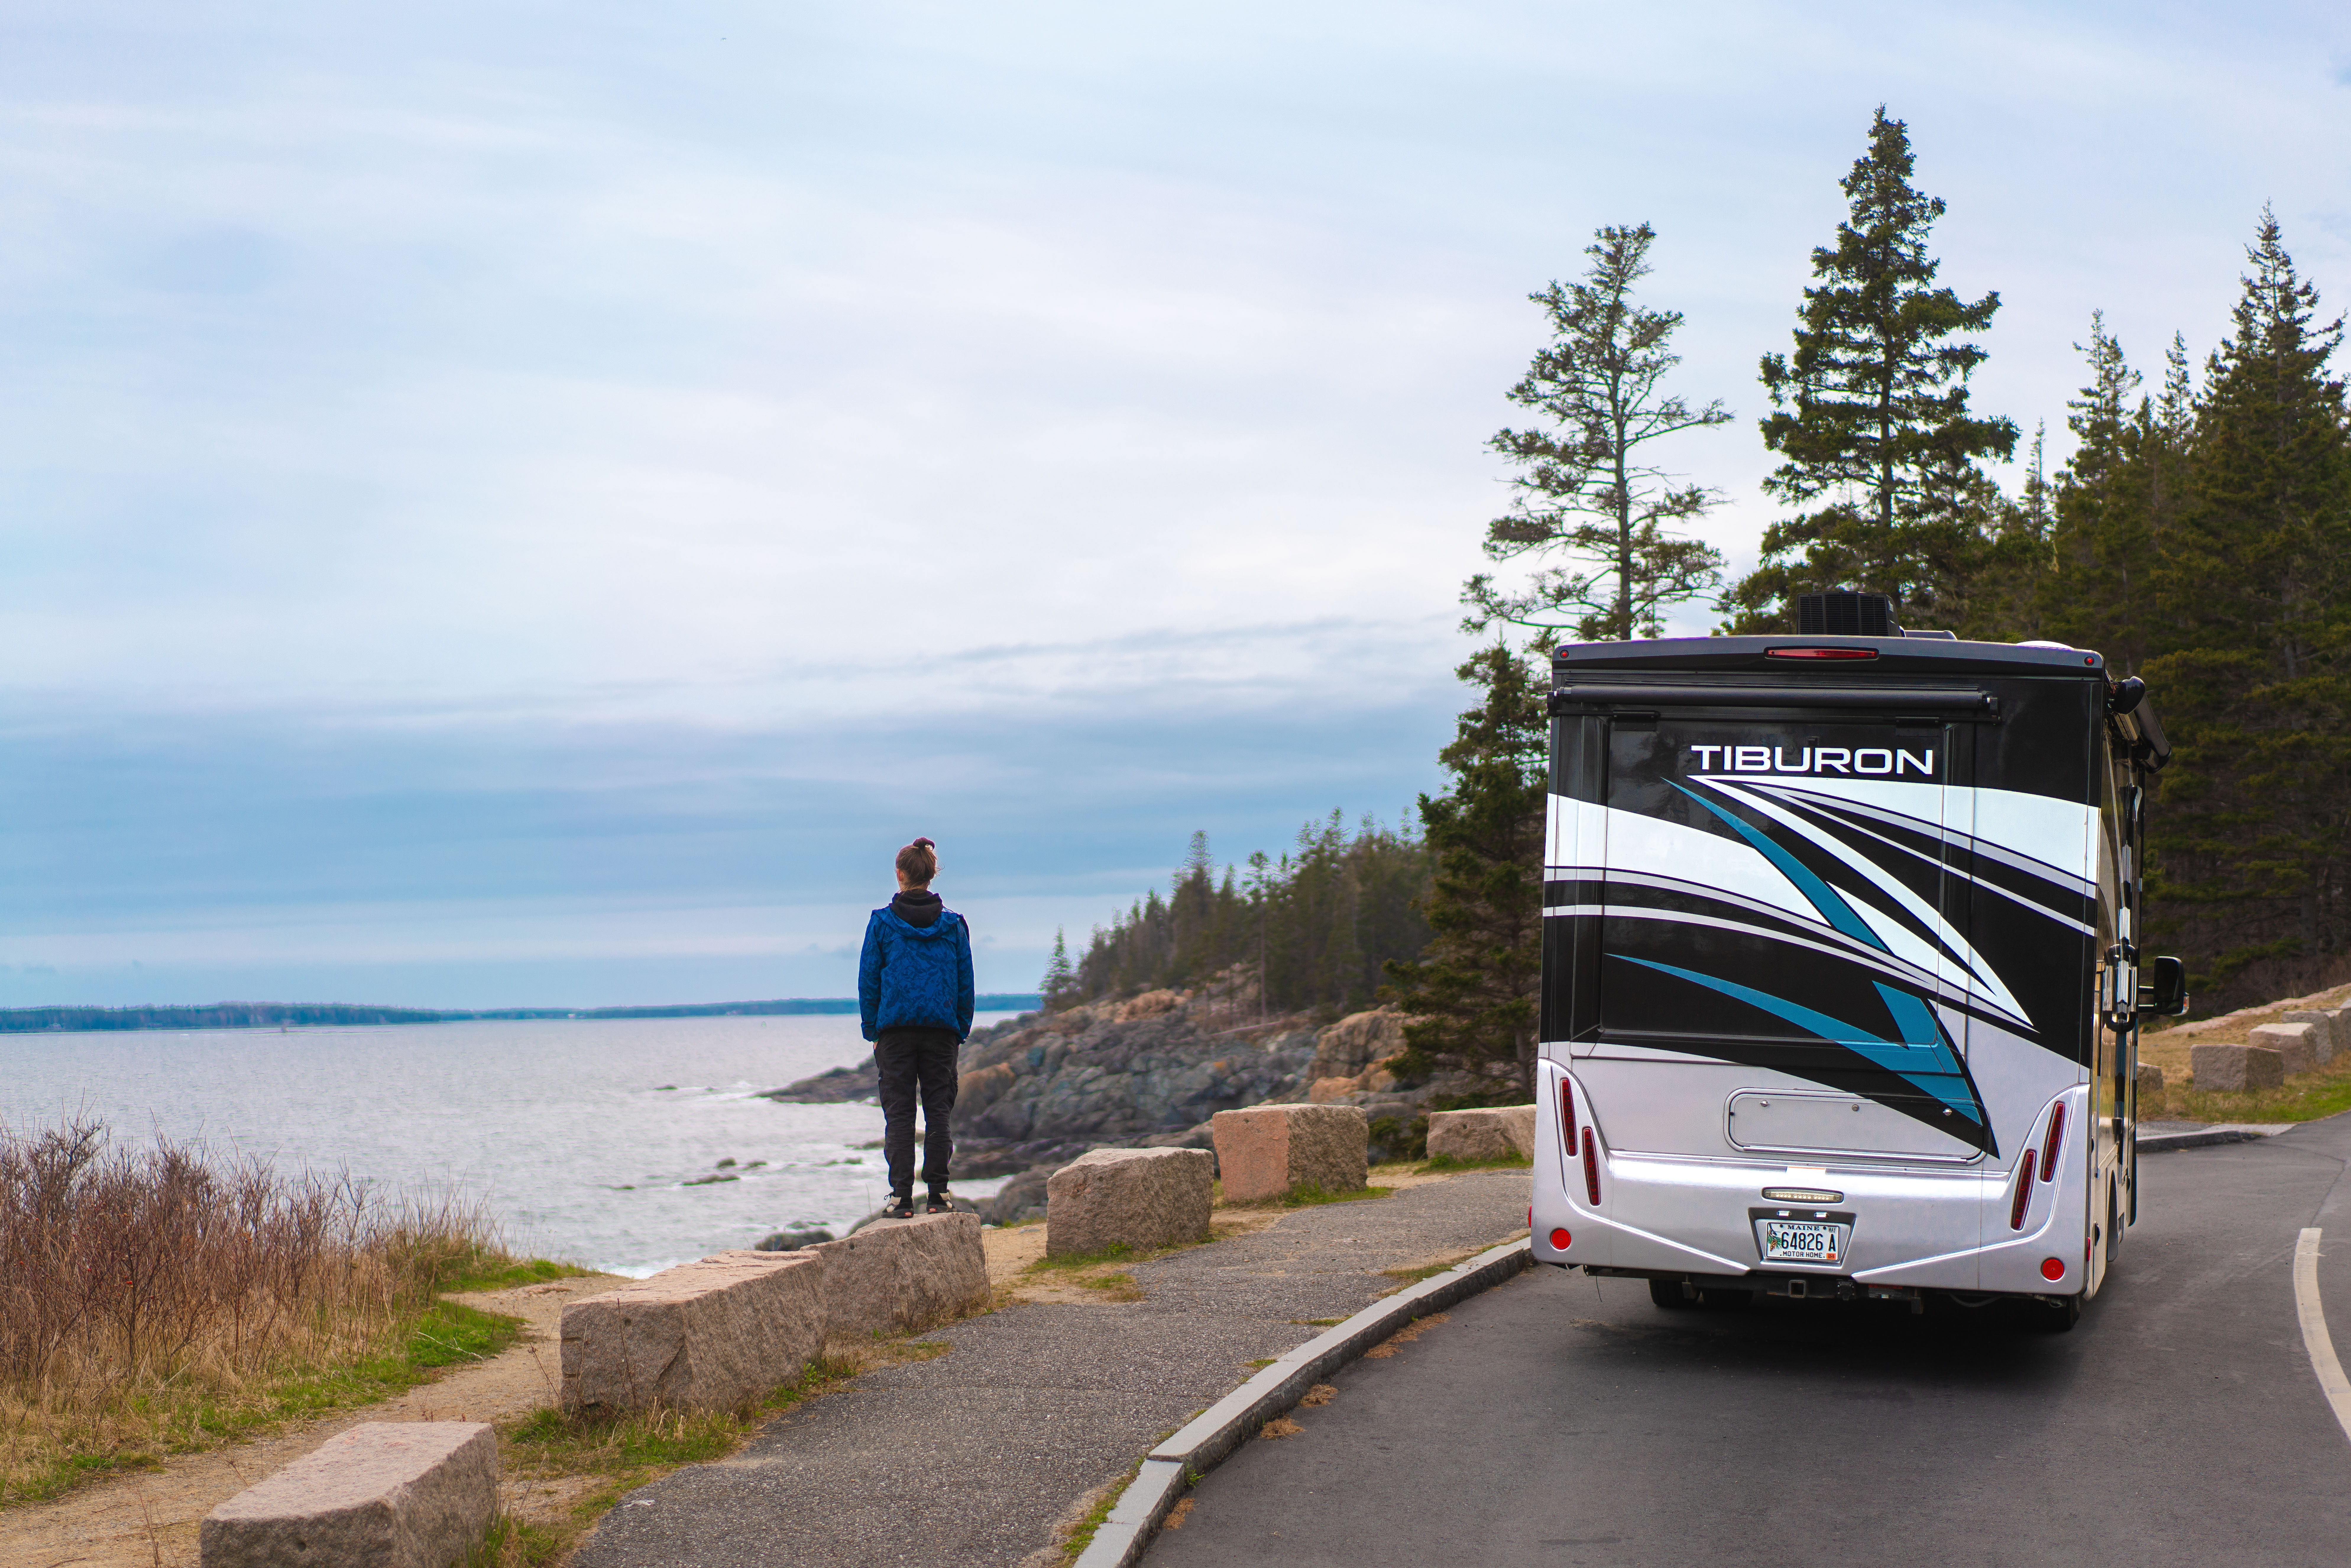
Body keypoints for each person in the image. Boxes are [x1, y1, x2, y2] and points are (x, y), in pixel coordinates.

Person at [856, 836, 975, 1219]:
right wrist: (961, 1028)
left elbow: (869, 980)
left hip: (895, 1033)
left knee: (901, 1116)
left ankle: (901, 1198)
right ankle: (939, 1195)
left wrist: (872, 1031)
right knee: (938, 1112)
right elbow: (965, 982)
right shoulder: (953, 925)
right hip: (941, 1031)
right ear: (931, 874)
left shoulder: (882, 924)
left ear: (900, 875)